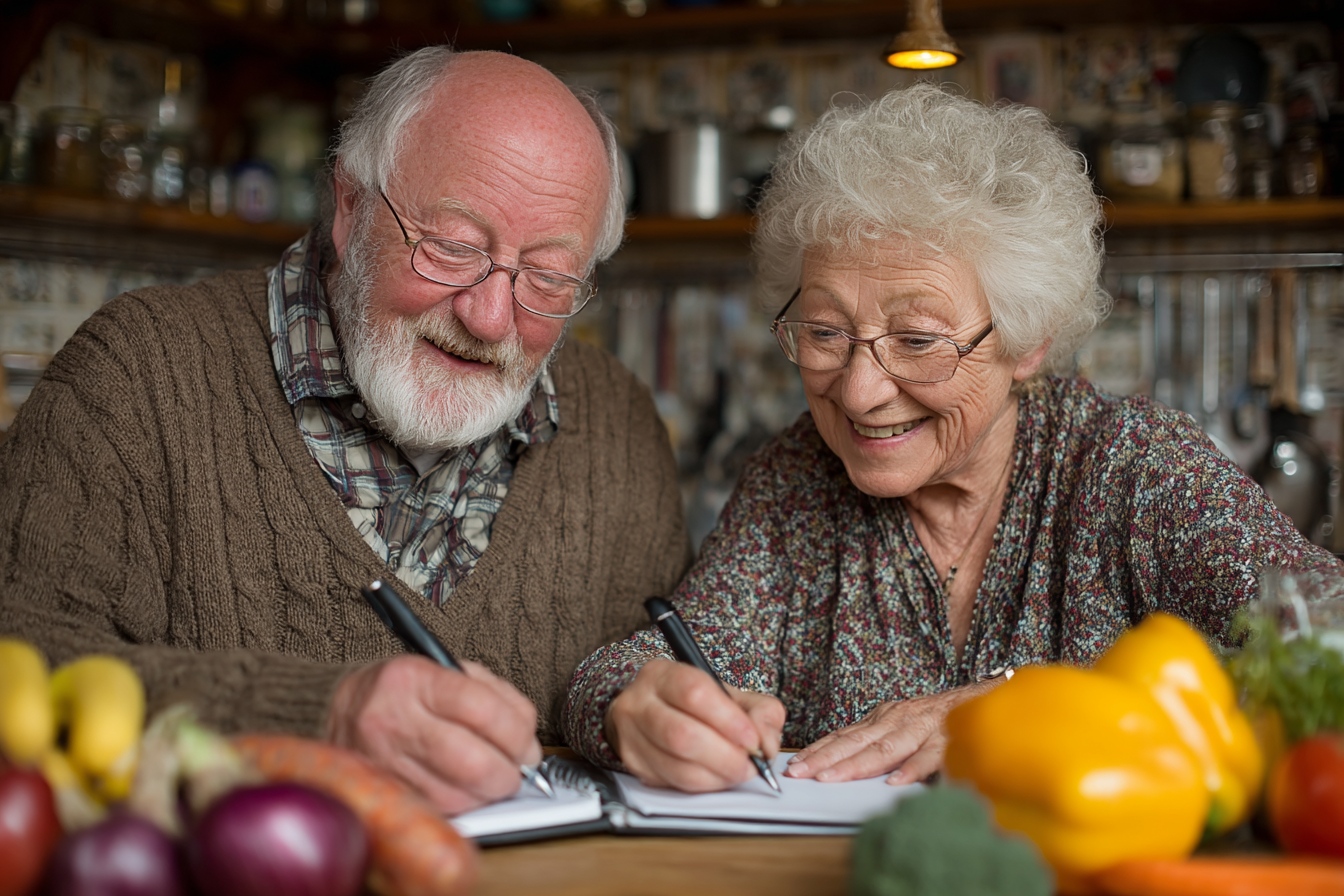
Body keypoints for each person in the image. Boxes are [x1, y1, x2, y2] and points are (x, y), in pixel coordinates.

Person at [562, 84, 1343, 793]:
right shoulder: (796, 480)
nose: (860, 393)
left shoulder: (1132, 468)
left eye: (918, 339)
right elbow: (638, 667)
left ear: (1025, 341)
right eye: (827, 332)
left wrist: (1031, 703)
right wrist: (635, 706)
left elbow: (1327, 649)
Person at [0, 48, 691, 815]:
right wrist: (318, 713)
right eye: (453, 248)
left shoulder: (618, 425)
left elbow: (656, 670)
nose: (490, 319)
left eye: (549, 278)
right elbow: (18, 665)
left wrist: (659, 713)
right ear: (351, 207)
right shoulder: (132, 379)